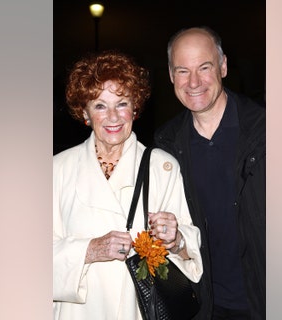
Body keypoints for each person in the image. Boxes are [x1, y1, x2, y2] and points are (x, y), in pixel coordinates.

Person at [53, 51, 203, 319]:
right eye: (100, 105)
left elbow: (189, 249)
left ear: (135, 108)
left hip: (139, 310)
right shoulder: (57, 169)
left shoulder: (162, 167)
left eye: (121, 104)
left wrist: (176, 238)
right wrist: (89, 250)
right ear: (85, 113)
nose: (113, 117)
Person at [154, 27, 266, 319]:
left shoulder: (268, 130)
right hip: (204, 307)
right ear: (170, 75)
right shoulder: (165, 146)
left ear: (224, 66)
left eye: (204, 67)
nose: (194, 82)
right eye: (182, 71)